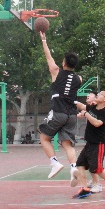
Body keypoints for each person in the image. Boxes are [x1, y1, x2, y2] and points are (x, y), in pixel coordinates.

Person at [38, 31, 82, 186]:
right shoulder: (79, 78)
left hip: (58, 112)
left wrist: (44, 40)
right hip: (72, 115)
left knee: (44, 138)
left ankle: (54, 163)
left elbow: (48, 56)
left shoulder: (56, 72)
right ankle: (73, 167)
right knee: (67, 144)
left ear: (63, 63)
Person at [72, 90, 105, 199]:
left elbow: (97, 123)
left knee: (97, 168)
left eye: (101, 94)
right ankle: (84, 189)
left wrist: (86, 114)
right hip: (89, 143)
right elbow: (82, 106)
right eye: (98, 93)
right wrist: (70, 100)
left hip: (98, 144)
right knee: (80, 164)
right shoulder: (93, 107)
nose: (98, 94)